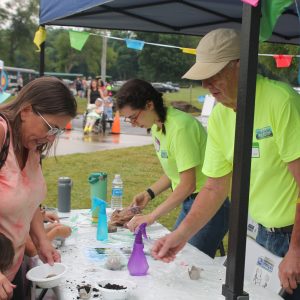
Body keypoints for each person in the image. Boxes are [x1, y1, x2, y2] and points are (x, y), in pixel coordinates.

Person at [151, 28, 300, 298]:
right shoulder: (221, 115)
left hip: (294, 236)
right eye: (202, 78)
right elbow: (214, 187)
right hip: (261, 233)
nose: (207, 85)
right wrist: (181, 235)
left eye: (213, 75)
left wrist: (296, 250)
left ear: (240, 66)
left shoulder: (281, 101)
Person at [115, 78, 230, 258]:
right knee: (171, 257)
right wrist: (148, 194)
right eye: (128, 119)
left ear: (149, 105)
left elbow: (188, 184)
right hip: (190, 203)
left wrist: (151, 216)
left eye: (133, 117)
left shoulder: (180, 127)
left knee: (186, 262)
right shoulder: (157, 127)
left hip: (208, 204)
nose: (133, 123)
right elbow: (174, 172)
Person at [0, 76, 77, 299]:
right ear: (26, 110)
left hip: (10, 270)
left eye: (58, 132)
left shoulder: (32, 146)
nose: (51, 139)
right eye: (50, 127)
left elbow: (29, 201)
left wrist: (42, 241)